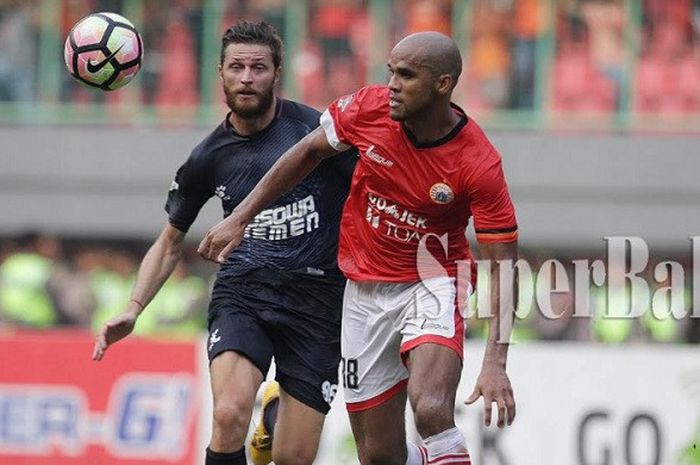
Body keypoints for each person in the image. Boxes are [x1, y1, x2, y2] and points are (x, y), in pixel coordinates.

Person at [199, 31, 519, 465]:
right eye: (390, 71)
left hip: (433, 282)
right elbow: (306, 153)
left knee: (430, 409)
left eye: (406, 75)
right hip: (363, 292)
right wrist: (241, 217)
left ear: (442, 84)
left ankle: (440, 448)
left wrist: (496, 362)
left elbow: (503, 267)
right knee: (378, 456)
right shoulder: (368, 109)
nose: (392, 84)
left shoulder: (477, 162)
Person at [92, 20, 355, 465]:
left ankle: (274, 414)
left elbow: (368, 196)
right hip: (244, 290)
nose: (247, 78)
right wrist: (134, 307)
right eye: (237, 67)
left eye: (258, 67)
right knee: (229, 413)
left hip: (319, 298)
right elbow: (170, 241)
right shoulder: (208, 156)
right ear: (220, 73)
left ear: (277, 73)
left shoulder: (317, 134)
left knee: (293, 458)